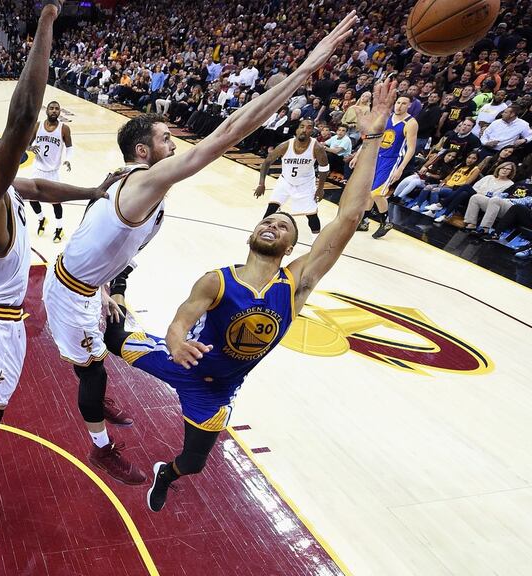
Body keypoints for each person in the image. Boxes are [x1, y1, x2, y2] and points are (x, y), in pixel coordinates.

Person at [41, 13, 360, 486]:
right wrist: (305, 70)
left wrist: (102, 283)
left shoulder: (130, 187)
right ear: (144, 153)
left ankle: (100, 362)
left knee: (110, 336)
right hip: (69, 292)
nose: (178, 142)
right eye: (167, 138)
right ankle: (100, 448)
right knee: (91, 376)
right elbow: (224, 136)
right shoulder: (146, 182)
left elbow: (95, 231)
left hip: (85, 284)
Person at [103, 78, 396, 512]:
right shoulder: (216, 281)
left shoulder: (297, 284)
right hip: (179, 361)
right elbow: (181, 320)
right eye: (268, 221)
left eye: (284, 227)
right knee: (108, 335)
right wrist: (175, 340)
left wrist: (371, 137)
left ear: (291, 248)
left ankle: (168, 473)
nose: (272, 225)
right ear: (251, 234)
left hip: (219, 387)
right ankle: (113, 296)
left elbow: (349, 217)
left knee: (194, 462)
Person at [0, 0, 115, 520]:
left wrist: (91, 191)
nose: (2, 146)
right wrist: (46, 23)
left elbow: (38, 185)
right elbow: (25, 117)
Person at [353, 94, 418, 238]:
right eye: (398, 102)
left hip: (392, 161)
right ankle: (364, 222)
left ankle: (386, 222)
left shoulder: (411, 123)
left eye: (403, 103)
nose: (399, 106)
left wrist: (400, 168)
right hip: (376, 157)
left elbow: (411, 149)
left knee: (377, 192)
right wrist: (358, 155)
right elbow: (371, 137)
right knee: (369, 191)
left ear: (409, 106)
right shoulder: (386, 118)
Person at [255, 119, 330, 234]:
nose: (304, 130)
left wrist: (320, 189)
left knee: (312, 216)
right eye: (302, 126)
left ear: (312, 131)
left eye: (309, 127)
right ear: (296, 130)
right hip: (285, 181)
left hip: (305, 184)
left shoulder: (317, 147)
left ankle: (318, 243)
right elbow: (267, 162)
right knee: (270, 210)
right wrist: (261, 183)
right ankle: (257, 235)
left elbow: (324, 168)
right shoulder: (285, 145)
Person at [28, 100, 74, 243]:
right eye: (51, 108)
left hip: (53, 172)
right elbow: (28, 143)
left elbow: (69, 147)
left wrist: (68, 159)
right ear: (47, 111)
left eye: (57, 109)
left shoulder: (64, 128)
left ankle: (59, 229)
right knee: (32, 199)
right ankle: (42, 219)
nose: (54, 111)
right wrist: (30, 148)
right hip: (38, 169)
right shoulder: (38, 125)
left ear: (59, 112)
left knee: (55, 202)